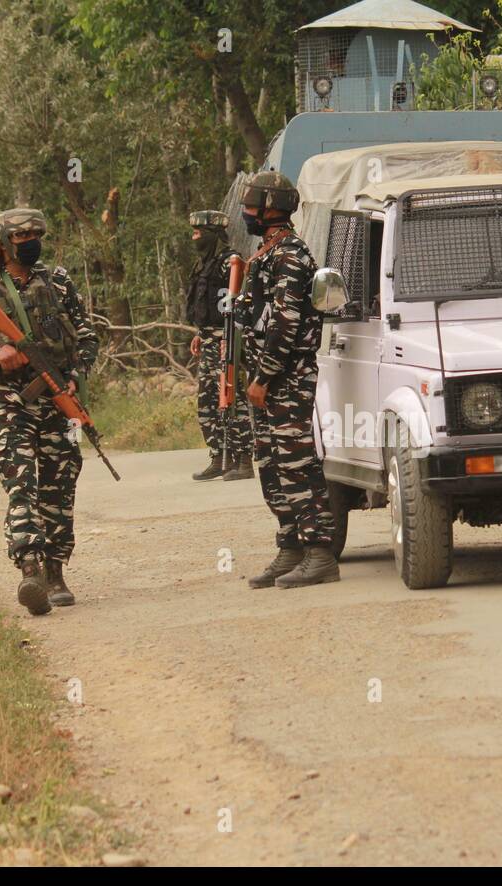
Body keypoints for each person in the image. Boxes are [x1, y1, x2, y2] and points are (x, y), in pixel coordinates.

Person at [0, 208, 99, 615]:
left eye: (37, 233)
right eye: (22, 236)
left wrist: (74, 377)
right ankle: (29, 568)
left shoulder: (58, 281)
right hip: (12, 403)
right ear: (1, 246)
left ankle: (56, 570)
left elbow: (86, 335)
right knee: (21, 482)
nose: (32, 240)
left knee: (60, 484)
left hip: (59, 402)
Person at [235, 171, 339, 589]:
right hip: (266, 381)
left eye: (249, 206)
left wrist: (263, 377)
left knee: (296, 463)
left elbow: (286, 325)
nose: (244, 214)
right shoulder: (266, 253)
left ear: (267, 209)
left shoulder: (291, 256)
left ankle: (319, 553)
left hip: (286, 378)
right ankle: (291, 546)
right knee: (270, 464)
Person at [186, 209, 253, 481]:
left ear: (213, 234)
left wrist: (233, 339)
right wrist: (200, 333)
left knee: (232, 400)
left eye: (198, 233)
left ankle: (245, 461)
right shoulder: (204, 264)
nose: (194, 238)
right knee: (208, 403)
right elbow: (207, 305)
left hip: (228, 341)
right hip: (209, 340)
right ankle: (219, 457)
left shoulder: (231, 263)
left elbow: (241, 303)